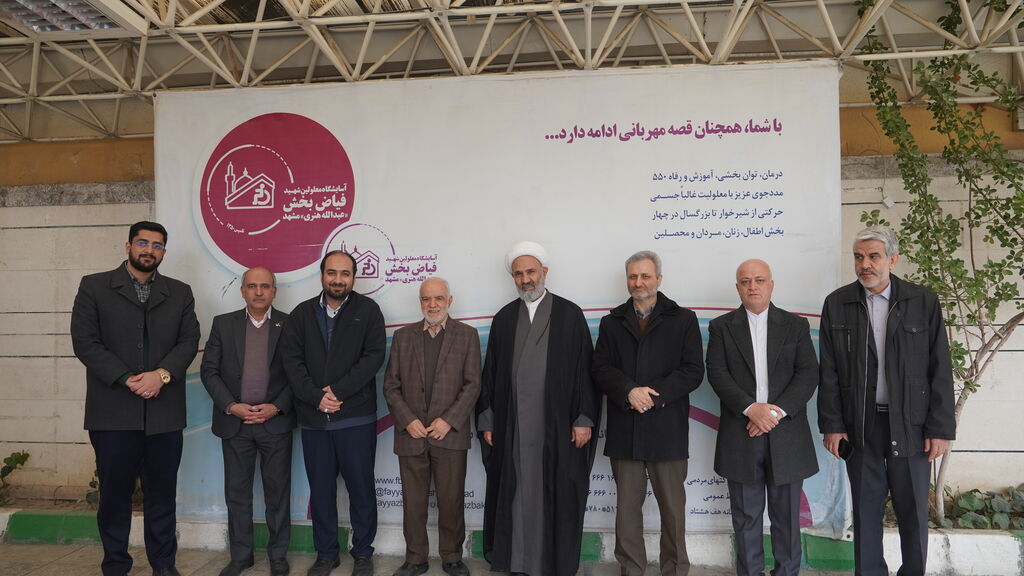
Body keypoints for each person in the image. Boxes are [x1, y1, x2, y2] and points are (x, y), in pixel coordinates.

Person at [818, 226, 956, 576]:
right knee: (866, 511)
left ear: (893, 260)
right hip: (860, 425)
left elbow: (940, 367)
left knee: (912, 511)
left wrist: (940, 428)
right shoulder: (837, 303)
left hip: (911, 424)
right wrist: (833, 424)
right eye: (859, 257)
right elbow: (829, 370)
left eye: (873, 256)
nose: (865, 264)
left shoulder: (922, 301)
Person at [70, 221, 201, 576]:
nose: (149, 250)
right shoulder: (94, 286)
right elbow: (85, 342)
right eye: (143, 243)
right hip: (113, 413)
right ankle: (115, 565)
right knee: (114, 497)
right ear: (127, 246)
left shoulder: (180, 292)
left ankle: (164, 566)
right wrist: (127, 378)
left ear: (164, 252)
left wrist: (161, 375)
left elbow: (189, 340)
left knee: (162, 496)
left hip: (164, 414)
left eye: (157, 245)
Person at [476, 241, 598, 576]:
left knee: (556, 493)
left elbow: (584, 371)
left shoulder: (569, 314)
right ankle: (517, 561)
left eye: (531, 271)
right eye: (519, 274)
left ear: (544, 271)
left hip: (557, 427)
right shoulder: (504, 318)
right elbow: (490, 375)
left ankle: (551, 563)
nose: (525, 279)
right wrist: (488, 420)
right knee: (515, 492)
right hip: (512, 427)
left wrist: (583, 418)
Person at [591, 250, 704, 576]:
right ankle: (631, 570)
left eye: (645, 276)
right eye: (633, 276)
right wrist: (629, 390)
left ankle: (675, 570)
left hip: (667, 429)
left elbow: (693, 371)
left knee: (673, 511)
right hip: (625, 428)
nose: (638, 282)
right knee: (627, 512)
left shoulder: (683, 319)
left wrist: (654, 396)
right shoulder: (611, 322)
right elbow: (600, 369)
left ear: (659, 279)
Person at [706, 259, 819, 576]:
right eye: (745, 281)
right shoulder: (721, 327)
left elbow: (808, 374)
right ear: (738, 287)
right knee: (746, 518)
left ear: (771, 284)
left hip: (787, 436)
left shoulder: (796, 326)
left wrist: (774, 413)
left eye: (758, 280)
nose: (752, 286)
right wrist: (751, 409)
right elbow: (717, 374)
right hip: (741, 433)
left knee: (787, 519)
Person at [281, 251, 386, 576]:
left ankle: (363, 553)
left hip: (356, 418)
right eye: (332, 273)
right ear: (322, 275)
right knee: (321, 491)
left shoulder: (368, 310)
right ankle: (326, 554)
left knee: (361, 490)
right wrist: (316, 398)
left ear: (353, 277)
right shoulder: (301, 314)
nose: (337, 279)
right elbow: (291, 361)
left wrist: (337, 392)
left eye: (344, 273)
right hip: (315, 419)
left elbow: (373, 357)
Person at [383, 277, 481, 576]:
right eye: (426, 298)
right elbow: (391, 386)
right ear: (420, 302)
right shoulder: (403, 337)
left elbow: (473, 384)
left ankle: (452, 556)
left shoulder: (467, 335)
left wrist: (448, 421)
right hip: (411, 434)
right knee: (413, 503)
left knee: (451, 500)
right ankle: (415, 558)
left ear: (449, 300)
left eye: (438, 298)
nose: (433, 304)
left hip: (449, 434)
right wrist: (408, 420)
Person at [201, 266, 295, 576]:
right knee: (237, 494)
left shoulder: (290, 324)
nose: (258, 291)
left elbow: (299, 373)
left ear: (274, 292)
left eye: (265, 286)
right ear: (242, 290)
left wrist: (276, 407)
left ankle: (278, 555)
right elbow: (209, 371)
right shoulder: (223, 324)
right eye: (252, 286)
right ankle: (241, 556)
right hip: (236, 423)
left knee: (277, 494)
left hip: (274, 423)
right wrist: (231, 406)